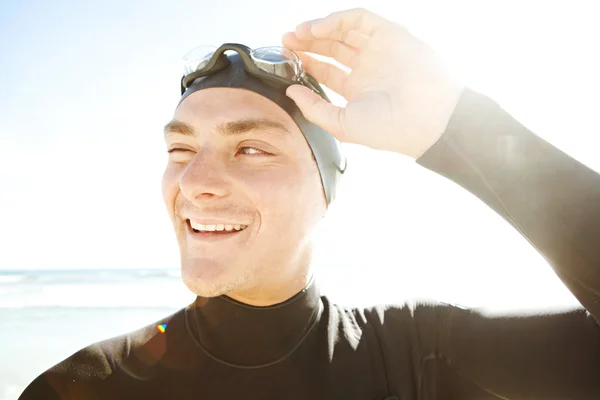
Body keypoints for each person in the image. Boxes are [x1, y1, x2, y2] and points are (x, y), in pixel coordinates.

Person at [19, 8, 600, 400]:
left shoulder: (422, 358)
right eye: (181, 147)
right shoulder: (83, 387)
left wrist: (454, 126)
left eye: (250, 148)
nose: (195, 181)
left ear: (326, 189)